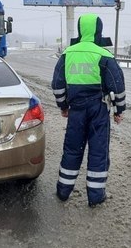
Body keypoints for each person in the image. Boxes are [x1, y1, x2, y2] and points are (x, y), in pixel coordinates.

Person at [51, 13, 126, 207]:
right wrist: (119, 110)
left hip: (75, 111)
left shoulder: (68, 54)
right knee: (98, 152)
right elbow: (117, 86)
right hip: (98, 111)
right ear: (98, 30)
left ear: (80, 30)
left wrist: (63, 106)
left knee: (72, 150)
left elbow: (57, 85)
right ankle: (95, 196)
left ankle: (63, 191)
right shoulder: (104, 55)